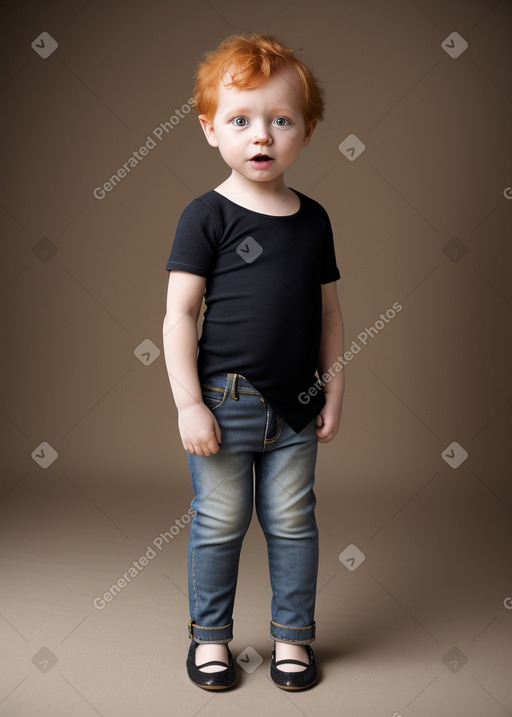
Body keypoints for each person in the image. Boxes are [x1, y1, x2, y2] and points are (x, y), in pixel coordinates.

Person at [163, 33, 344, 691]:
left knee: (294, 521)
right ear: (211, 128)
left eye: (280, 120)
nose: (260, 135)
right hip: (224, 398)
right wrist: (189, 401)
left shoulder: (314, 220)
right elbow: (179, 315)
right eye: (240, 120)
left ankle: (292, 639)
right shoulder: (206, 216)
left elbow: (327, 314)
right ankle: (210, 639)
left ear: (307, 129)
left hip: (298, 401)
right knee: (219, 522)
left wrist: (335, 386)